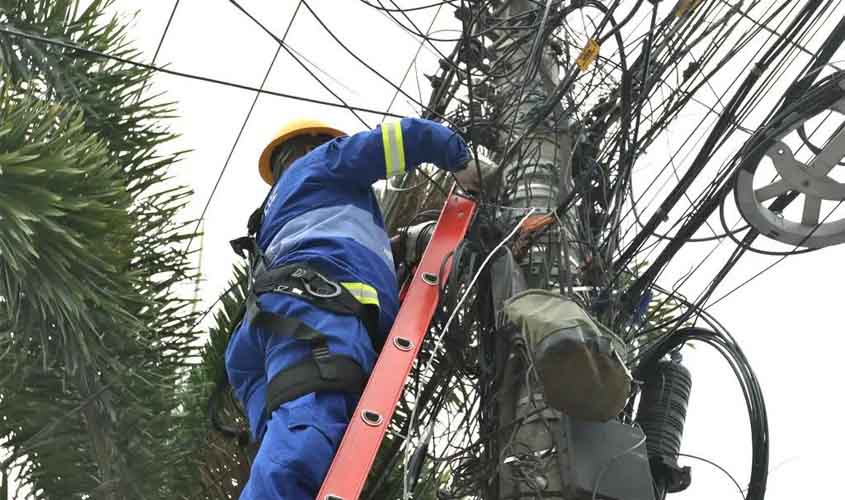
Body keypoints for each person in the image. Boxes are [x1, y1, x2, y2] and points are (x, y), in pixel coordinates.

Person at [225, 117, 480, 499]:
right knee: (304, 437)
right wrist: (460, 159)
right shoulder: (324, 161)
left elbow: (334, 243)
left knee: (292, 437)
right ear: (315, 145)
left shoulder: (275, 210)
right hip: (316, 314)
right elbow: (397, 140)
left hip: (261, 334)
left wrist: (399, 246)